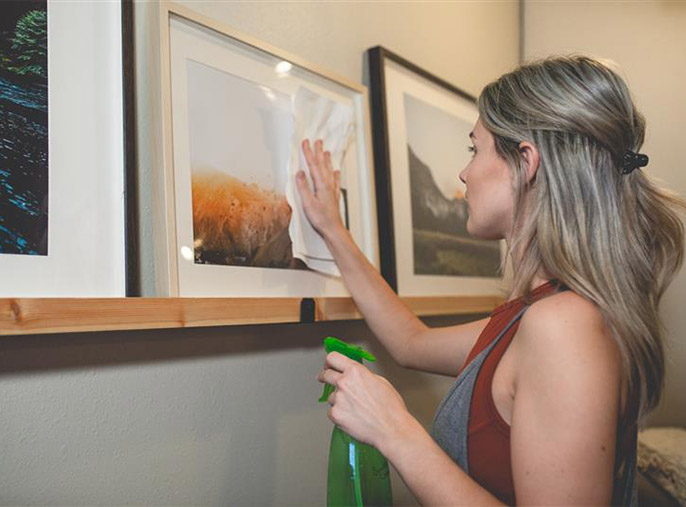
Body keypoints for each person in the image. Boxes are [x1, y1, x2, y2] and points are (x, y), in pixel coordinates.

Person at [295, 55, 685, 506]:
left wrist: (396, 432)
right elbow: (409, 341)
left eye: (474, 149)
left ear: (526, 162)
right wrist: (333, 230)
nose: (465, 173)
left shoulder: (564, 326)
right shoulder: (542, 311)